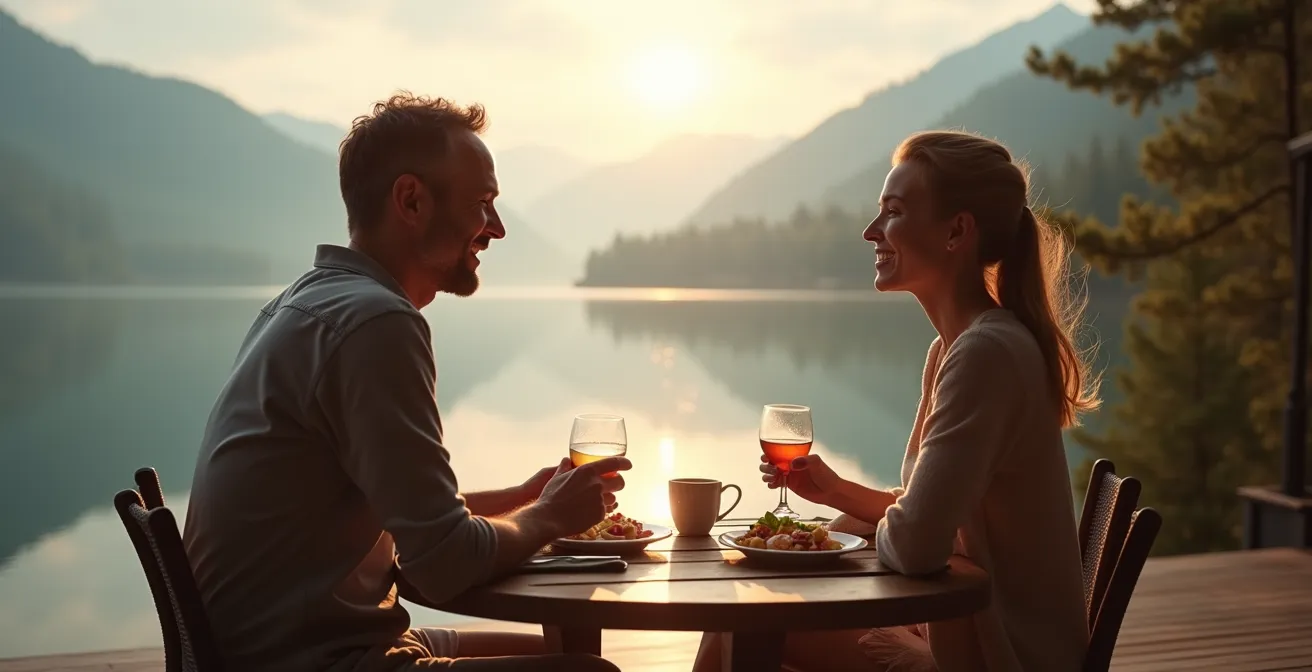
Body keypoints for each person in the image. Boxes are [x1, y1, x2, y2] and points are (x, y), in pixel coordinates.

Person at [182, 93, 626, 672]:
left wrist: (524, 499)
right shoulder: (377, 323)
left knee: (561, 650)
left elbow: (405, 519)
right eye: (482, 203)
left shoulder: (306, 300)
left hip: (294, 641)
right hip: (316, 659)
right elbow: (442, 564)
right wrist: (551, 517)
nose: (496, 228)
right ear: (411, 200)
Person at [694, 130, 1100, 672]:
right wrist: (837, 493)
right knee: (745, 614)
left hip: (997, 655)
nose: (871, 231)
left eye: (893, 211)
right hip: (964, 631)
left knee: (739, 619)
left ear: (956, 231)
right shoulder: (956, 348)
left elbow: (916, 545)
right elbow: (927, 516)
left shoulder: (986, 353)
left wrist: (848, 533)